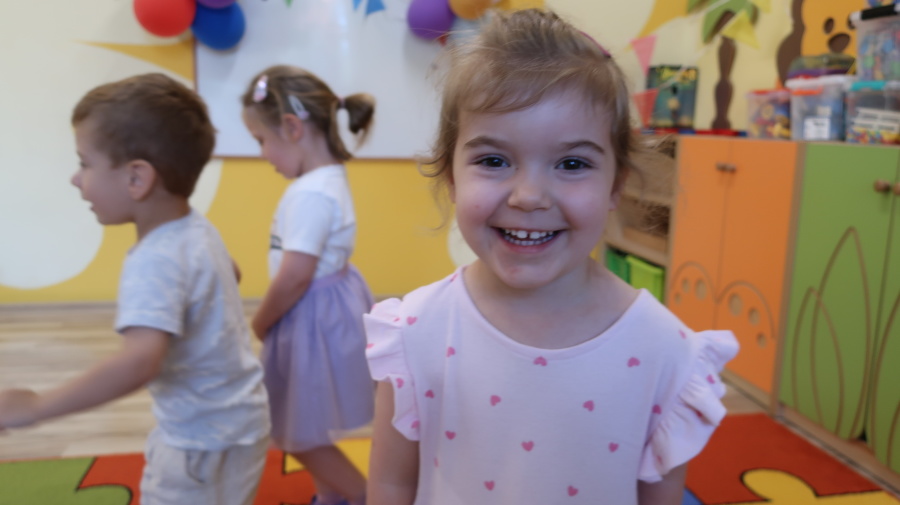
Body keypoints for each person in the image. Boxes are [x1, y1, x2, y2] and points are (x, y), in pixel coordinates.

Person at [363, 9, 740, 505]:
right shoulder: (414, 334)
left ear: (616, 185)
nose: (529, 196)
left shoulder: (664, 352)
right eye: (494, 160)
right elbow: (391, 484)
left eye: (572, 163)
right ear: (452, 177)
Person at [0, 73, 271, 505]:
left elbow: (139, 362)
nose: (76, 179)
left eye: (85, 163)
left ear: (136, 179)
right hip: (244, 421)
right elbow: (231, 274)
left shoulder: (153, 259)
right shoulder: (196, 228)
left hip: (196, 442)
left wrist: (36, 406)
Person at [240, 65, 376, 505]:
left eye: (261, 140)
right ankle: (333, 498)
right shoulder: (326, 179)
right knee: (306, 423)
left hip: (309, 317)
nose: (263, 154)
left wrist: (260, 321)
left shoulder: (311, 193)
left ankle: (364, 497)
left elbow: (296, 274)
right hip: (321, 309)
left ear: (292, 128)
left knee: (296, 434)